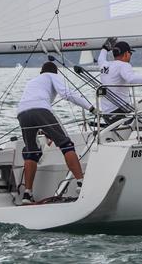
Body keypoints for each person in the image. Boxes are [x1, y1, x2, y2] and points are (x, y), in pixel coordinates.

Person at [16, 61, 94, 205]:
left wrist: (46, 132)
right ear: (54, 72)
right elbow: (67, 94)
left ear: (41, 72)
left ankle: (27, 194)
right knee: (66, 144)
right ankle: (81, 183)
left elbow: (32, 109)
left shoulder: (32, 82)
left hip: (22, 113)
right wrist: (91, 108)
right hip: (41, 110)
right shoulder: (52, 75)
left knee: (31, 152)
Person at [97, 39, 142, 116]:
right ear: (126, 53)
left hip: (106, 113)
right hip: (121, 112)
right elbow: (131, 78)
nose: (130, 56)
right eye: (130, 53)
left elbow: (100, 58)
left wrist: (104, 49)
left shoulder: (103, 64)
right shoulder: (124, 65)